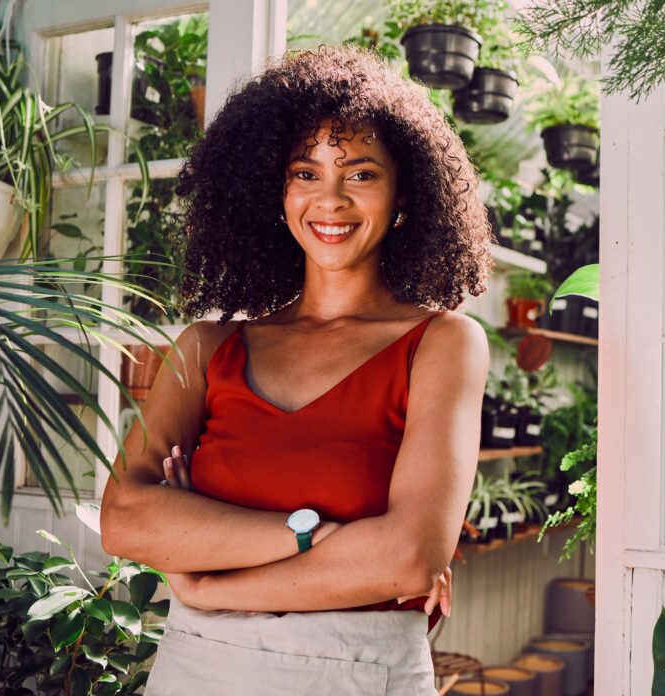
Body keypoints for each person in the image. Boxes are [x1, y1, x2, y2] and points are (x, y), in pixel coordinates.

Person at [99, 45, 493, 695]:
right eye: (305, 173)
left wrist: (210, 582)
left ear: (403, 193)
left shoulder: (442, 343)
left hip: (357, 673)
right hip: (198, 669)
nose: (330, 199)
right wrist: (317, 534)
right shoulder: (206, 348)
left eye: (360, 173)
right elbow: (125, 520)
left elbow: (408, 559)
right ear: (275, 191)